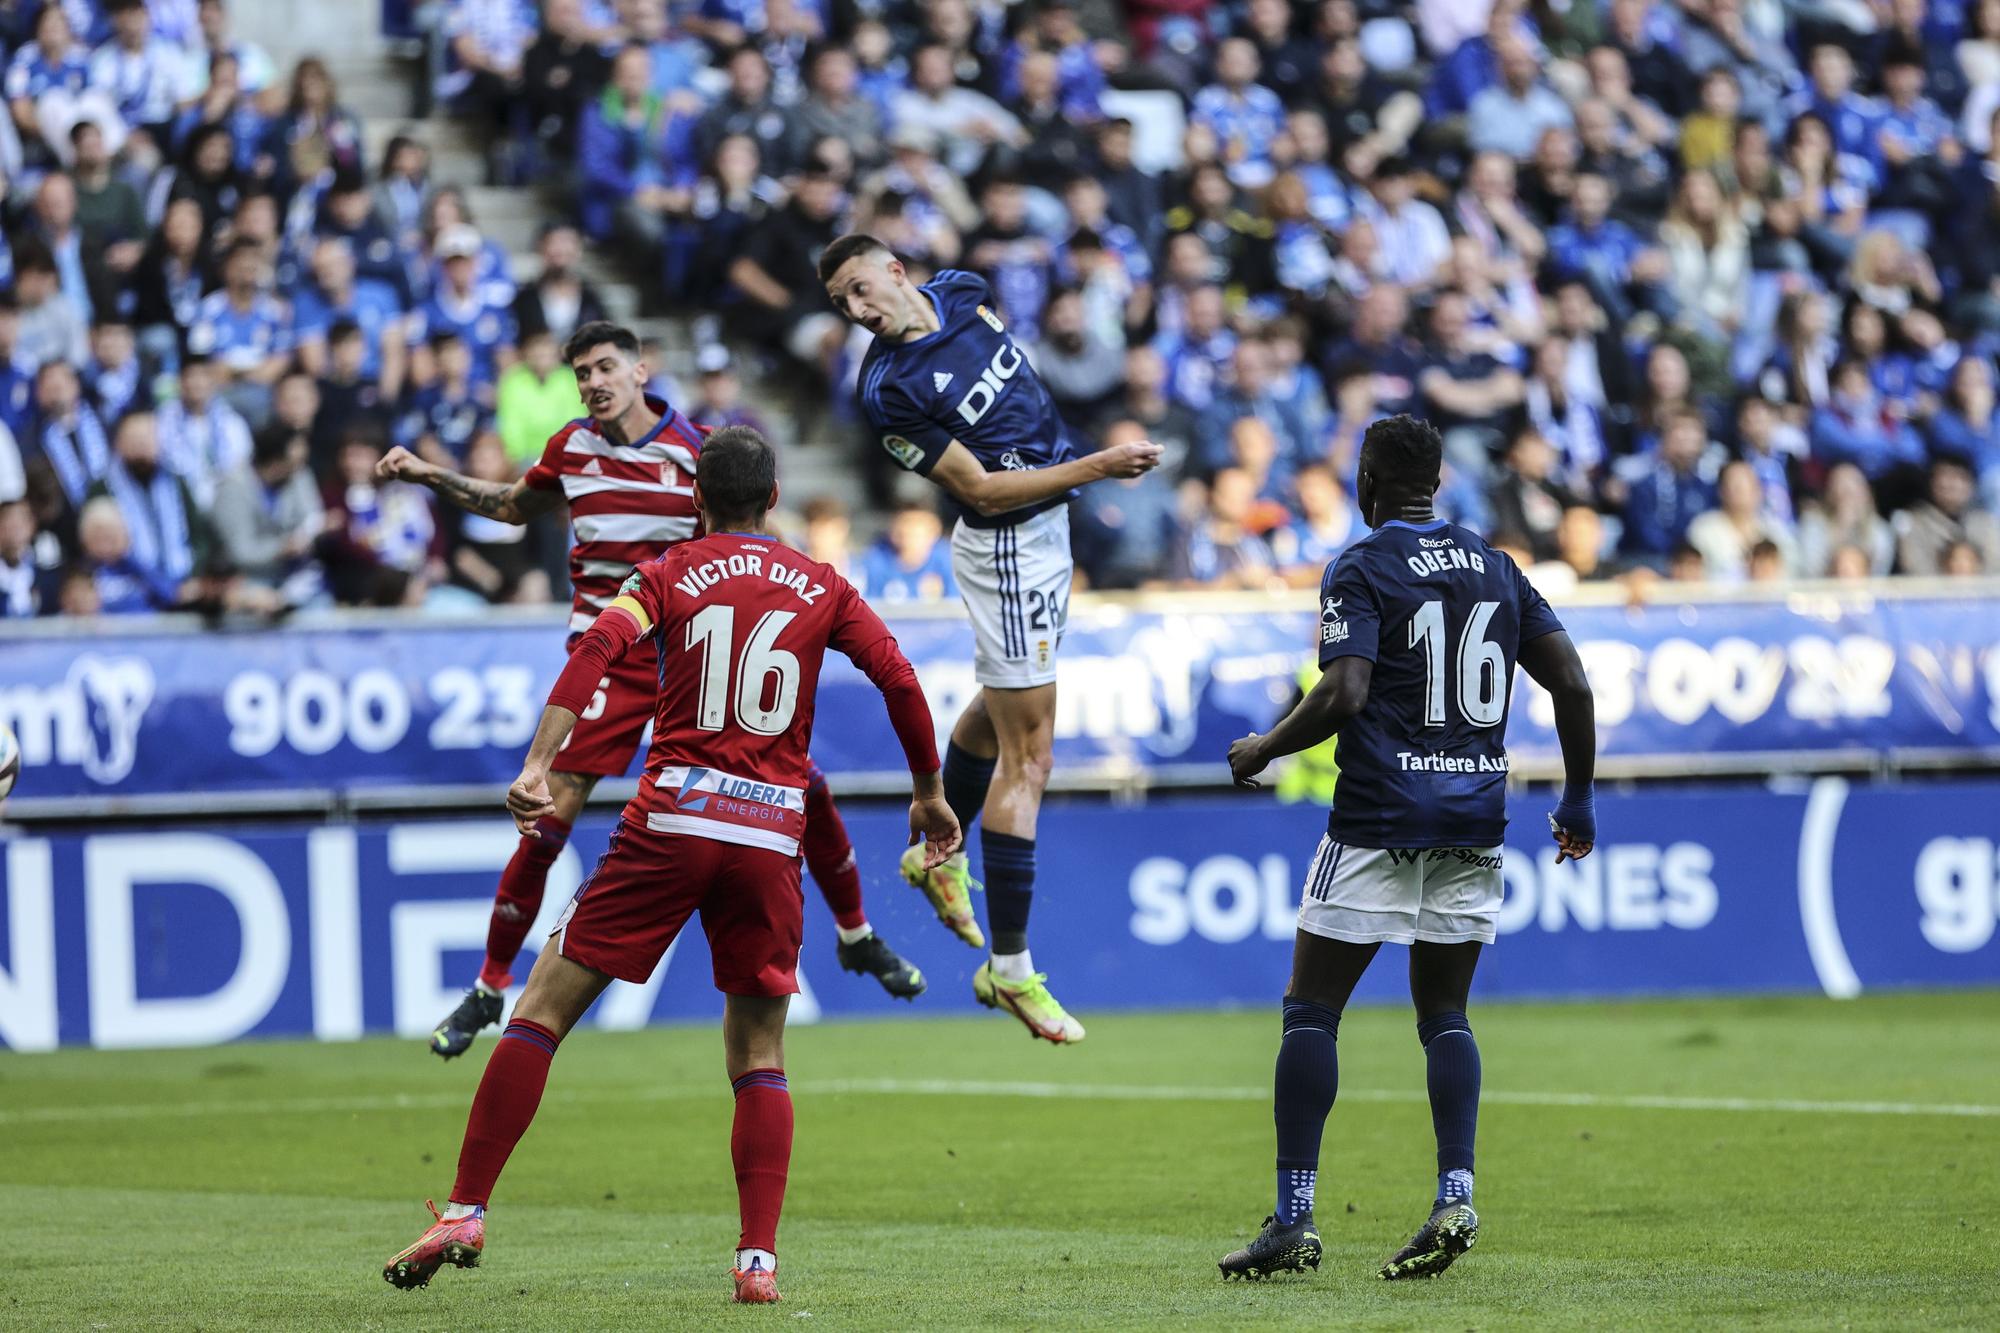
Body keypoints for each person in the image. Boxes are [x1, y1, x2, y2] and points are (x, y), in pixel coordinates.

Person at [382, 425, 962, 1306]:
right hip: (770, 833)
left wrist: (540, 761)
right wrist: (927, 791)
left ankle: (466, 1208)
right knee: (760, 1052)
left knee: (538, 1009)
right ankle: (757, 1261)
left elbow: (595, 653)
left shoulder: (664, 574)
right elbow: (900, 679)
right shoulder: (824, 583)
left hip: (673, 818)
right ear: (772, 499)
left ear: (696, 497)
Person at [376, 321, 926, 1056]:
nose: (593, 383)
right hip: (604, 654)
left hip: (685, 654)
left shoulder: (698, 452)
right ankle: (488, 984)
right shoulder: (570, 448)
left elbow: (750, 530)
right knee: (550, 809)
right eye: (581, 375)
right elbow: (512, 506)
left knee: (805, 785)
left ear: (642, 371)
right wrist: (429, 474)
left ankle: (855, 933)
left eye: (605, 367)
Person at [1218, 412, 1597, 1283]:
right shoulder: (1499, 567)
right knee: (1446, 1016)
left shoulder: (1361, 563)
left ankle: (1295, 1219)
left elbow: (1345, 689)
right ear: (1438, 482)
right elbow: (1572, 680)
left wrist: (1265, 746)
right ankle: (1455, 1191)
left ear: (1368, 482)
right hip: (1472, 817)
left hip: (1381, 816)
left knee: (1311, 1011)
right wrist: (1577, 796)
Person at [821, 235, 1163, 1043]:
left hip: (1047, 537)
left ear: (896, 272)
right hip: (1009, 544)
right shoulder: (888, 390)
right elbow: (978, 487)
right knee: (1031, 756)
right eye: (844, 304)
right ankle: (1008, 969)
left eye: (863, 289)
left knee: (1001, 706)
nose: (859, 310)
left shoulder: (964, 290)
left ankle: (936, 850)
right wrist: (1095, 466)